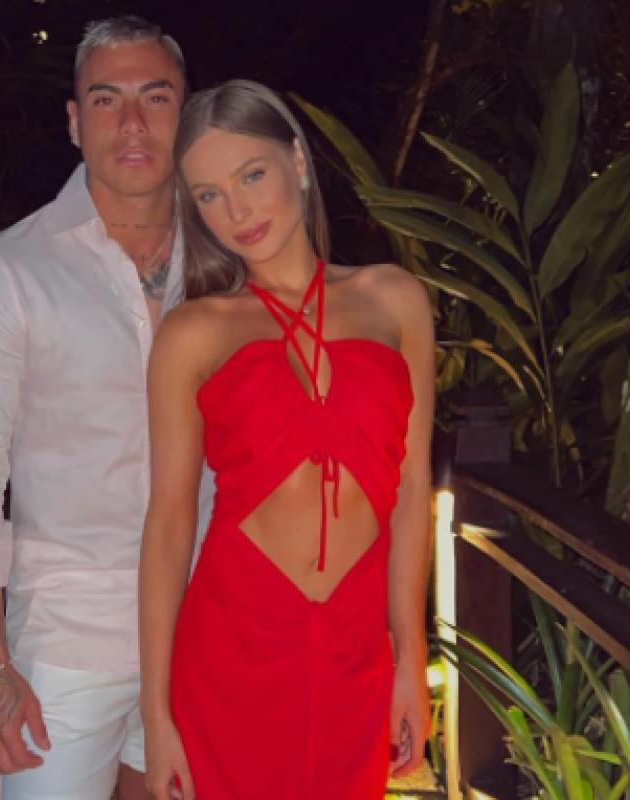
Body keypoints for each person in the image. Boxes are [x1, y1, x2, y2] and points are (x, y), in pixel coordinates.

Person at [0, 16, 209, 800]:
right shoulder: (11, 272)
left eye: (156, 97)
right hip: (70, 639)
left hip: (208, 627)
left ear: (187, 114)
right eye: (107, 99)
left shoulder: (229, 261)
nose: (133, 122)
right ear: (75, 122)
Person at [139, 80, 435, 800]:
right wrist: (155, 714)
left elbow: (410, 490)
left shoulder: (395, 299)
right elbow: (170, 523)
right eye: (209, 195)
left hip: (354, 646)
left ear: (298, 162)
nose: (236, 212)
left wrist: (410, 655)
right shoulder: (193, 333)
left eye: (251, 176)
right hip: (232, 640)